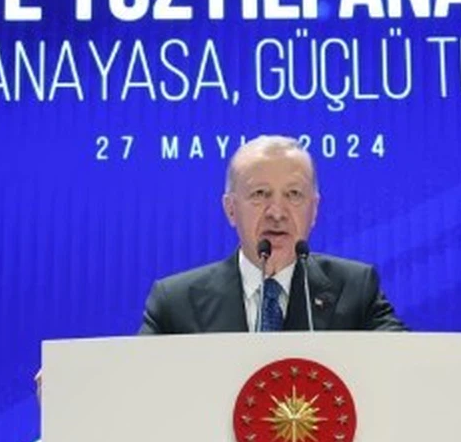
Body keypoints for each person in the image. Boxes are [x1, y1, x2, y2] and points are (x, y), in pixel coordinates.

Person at [138, 135, 407, 334]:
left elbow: (404, 364)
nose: (277, 212)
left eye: (294, 194)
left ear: (314, 210)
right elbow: (140, 383)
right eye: (260, 194)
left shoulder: (355, 290)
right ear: (231, 209)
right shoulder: (175, 303)